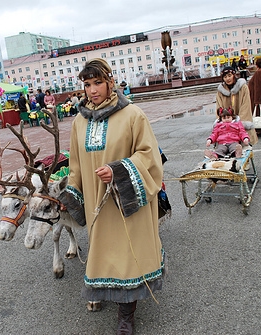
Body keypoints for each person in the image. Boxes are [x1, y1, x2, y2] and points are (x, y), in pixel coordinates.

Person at [57, 58, 164, 335]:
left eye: (97, 83)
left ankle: (126, 315)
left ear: (110, 82)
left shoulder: (132, 115)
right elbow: (77, 164)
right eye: (87, 84)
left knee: (129, 255)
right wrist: (70, 192)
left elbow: (149, 157)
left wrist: (119, 170)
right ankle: (107, 292)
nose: (92, 90)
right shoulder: (80, 121)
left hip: (127, 201)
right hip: (97, 203)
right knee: (104, 252)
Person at [216, 67, 258, 146]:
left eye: (229, 75)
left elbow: (245, 105)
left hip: (241, 121)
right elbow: (219, 107)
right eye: (225, 77)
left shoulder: (243, 87)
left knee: (245, 146)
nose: (227, 79)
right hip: (227, 123)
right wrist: (223, 120)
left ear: (234, 75)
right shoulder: (221, 91)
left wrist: (238, 122)